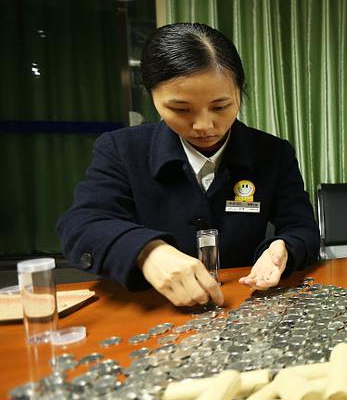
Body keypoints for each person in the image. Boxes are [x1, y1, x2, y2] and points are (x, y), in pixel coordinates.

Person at [57, 23, 319, 307]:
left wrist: (283, 250)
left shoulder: (272, 152)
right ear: (152, 96)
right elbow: (82, 225)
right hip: (153, 308)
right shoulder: (122, 150)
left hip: (244, 306)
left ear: (239, 92)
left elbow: (301, 228)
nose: (204, 126)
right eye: (181, 110)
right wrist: (147, 252)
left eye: (221, 107)